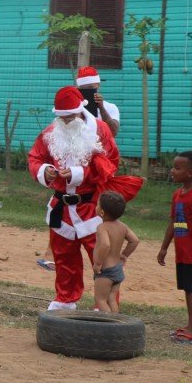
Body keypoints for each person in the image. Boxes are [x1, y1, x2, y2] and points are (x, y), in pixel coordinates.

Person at [28, 86, 142, 310]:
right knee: (64, 257)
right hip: (61, 209)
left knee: (104, 260)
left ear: (80, 110)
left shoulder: (99, 130)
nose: (66, 121)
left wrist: (79, 174)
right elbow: (35, 157)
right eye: (61, 116)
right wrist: (45, 170)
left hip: (92, 207)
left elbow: (110, 164)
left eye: (70, 115)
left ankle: (106, 305)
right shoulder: (51, 132)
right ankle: (65, 299)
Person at [38, 66, 122, 271]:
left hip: (93, 187)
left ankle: (105, 290)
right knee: (63, 236)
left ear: (98, 85)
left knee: (100, 239)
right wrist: (45, 170)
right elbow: (39, 155)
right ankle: (52, 258)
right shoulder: (56, 128)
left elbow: (113, 134)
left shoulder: (107, 111)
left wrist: (100, 108)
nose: (90, 92)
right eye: (84, 88)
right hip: (64, 193)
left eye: (92, 88)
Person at [157, 151, 192, 344]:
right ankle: (190, 325)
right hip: (182, 252)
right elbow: (173, 221)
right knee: (187, 289)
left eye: (177, 168)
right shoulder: (177, 194)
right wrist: (164, 247)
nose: (172, 171)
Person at [92, 191, 139, 313]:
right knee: (112, 299)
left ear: (102, 212)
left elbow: (105, 245)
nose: (95, 206)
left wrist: (98, 263)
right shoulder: (123, 226)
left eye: (97, 204)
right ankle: (117, 325)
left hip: (105, 271)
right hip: (117, 269)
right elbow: (134, 240)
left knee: (101, 300)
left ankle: (109, 326)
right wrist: (124, 255)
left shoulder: (102, 227)